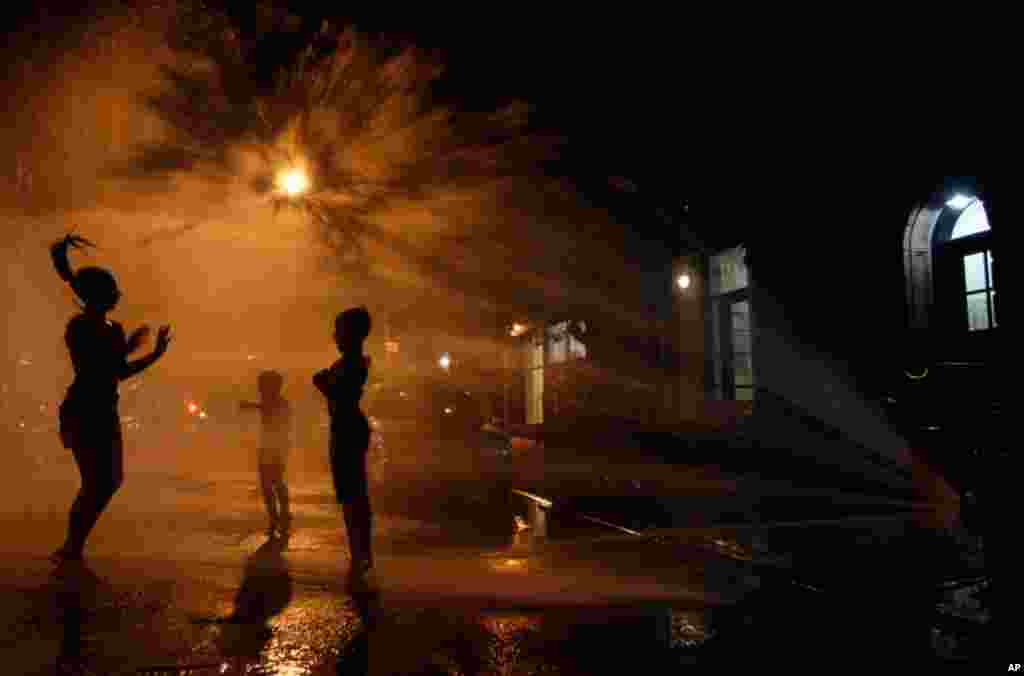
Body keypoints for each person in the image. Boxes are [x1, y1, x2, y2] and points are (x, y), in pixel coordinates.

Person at [49, 233, 172, 564]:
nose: (118, 295)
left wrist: (153, 353)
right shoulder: (80, 327)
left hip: (103, 411)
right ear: (101, 295)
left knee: (107, 481)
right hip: (84, 411)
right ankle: (71, 546)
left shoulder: (112, 329)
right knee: (97, 482)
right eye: (112, 290)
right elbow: (98, 369)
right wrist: (132, 350)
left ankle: (72, 545)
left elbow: (117, 372)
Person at [314, 307, 374, 590]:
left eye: (338, 330)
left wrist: (324, 384)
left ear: (351, 334)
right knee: (351, 495)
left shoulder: (352, 364)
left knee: (353, 495)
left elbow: (343, 394)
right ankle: (360, 554)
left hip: (347, 428)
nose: (334, 336)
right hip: (346, 427)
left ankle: (361, 555)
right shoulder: (349, 363)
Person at [240, 370, 293, 537]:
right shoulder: (273, 402)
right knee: (268, 485)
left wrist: (250, 406)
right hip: (268, 448)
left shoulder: (279, 403)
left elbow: (271, 411)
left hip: (276, 448)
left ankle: (282, 517)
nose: (260, 389)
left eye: (262, 385)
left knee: (275, 483)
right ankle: (276, 518)